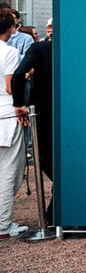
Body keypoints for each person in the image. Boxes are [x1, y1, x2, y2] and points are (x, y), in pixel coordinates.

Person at [13, 33, 53, 225]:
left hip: (44, 109)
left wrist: (19, 103)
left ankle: (55, 206)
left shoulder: (39, 48)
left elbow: (19, 74)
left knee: (44, 155)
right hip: (74, 110)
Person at [0, 12, 28, 238]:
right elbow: (10, 86)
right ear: (10, 28)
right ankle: (3, 224)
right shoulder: (9, 52)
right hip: (6, 112)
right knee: (10, 170)